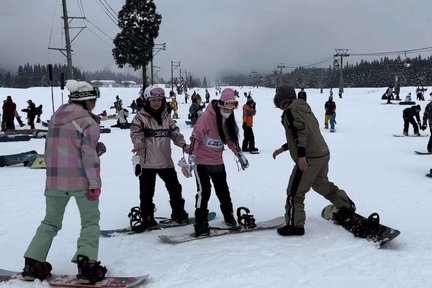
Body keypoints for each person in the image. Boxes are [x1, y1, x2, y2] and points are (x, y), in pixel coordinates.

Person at [22, 80, 107, 284]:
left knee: (50, 222)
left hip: (54, 181)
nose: (95, 104)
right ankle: (87, 266)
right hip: (81, 181)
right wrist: (95, 183)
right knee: (90, 222)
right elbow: (88, 155)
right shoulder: (88, 122)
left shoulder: (55, 118)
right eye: (94, 99)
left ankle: (33, 264)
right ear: (87, 100)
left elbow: (52, 149)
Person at [272, 85, 356, 236]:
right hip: (322, 153)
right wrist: (284, 148)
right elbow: (305, 132)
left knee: (294, 192)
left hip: (309, 157)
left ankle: (294, 225)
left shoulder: (290, 111)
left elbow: (301, 132)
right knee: (321, 185)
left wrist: (302, 156)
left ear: (280, 98)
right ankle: (345, 205)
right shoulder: (303, 107)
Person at [187, 88, 249, 237]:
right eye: (227, 106)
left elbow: (229, 139)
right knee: (204, 191)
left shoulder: (226, 119)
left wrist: (239, 154)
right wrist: (192, 157)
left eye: (233, 107)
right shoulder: (206, 117)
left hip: (217, 161)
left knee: (223, 190)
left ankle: (229, 216)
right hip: (201, 161)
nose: (229, 110)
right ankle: (200, 222)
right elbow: (196, 136)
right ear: (221, 104)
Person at [130, 85, 190, 230]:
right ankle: (147, 216)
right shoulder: (140, 118)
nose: (156, 103)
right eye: (153, 100)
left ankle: (178, 212)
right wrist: (138, 143)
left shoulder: (166, 117)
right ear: (147, 100)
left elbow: (175, 133)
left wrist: (184, 145)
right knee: (146, 192)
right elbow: (136, 133)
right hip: (147, 163)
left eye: (159, 100)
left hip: (165, 161)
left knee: (175, 188)